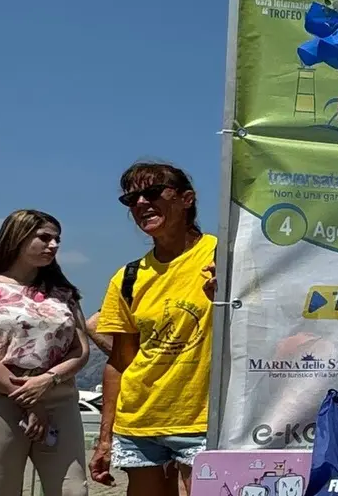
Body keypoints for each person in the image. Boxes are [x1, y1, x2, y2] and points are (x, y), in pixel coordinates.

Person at [91, 162, 217, 496]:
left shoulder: (223, 257)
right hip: (140, 421)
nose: (141, 203)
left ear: (186, 199)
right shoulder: (128, 277)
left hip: (204, 419)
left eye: (151, 192)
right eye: (131, 199)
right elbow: (120, 362)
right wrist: (105, 438)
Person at [0, 210, 91, 496]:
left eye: (57, 239)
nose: (53, 245)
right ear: (17, 237)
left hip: (58, 398)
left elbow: (80, 349)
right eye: (44, 238)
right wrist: (29, 399)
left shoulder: (63, 292)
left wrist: (48, 381)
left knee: (73, 489)